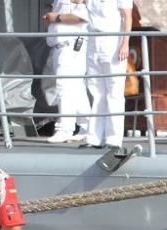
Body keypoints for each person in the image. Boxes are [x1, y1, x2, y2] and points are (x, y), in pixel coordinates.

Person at [84, 0, 133, 149]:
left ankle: (113, 138)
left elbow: (127, 16)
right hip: (93, 39)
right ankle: (94, 138)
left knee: (114, 91)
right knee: (96, 91)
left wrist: (125, 43)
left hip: (112, 40)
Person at [43, 0, 92, 144]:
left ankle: (65, 128)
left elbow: (82, 14)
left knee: (64, 87)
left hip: (71, 46)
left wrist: (56, 17)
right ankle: (87, 125)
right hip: (61, 46)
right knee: (76, 87)